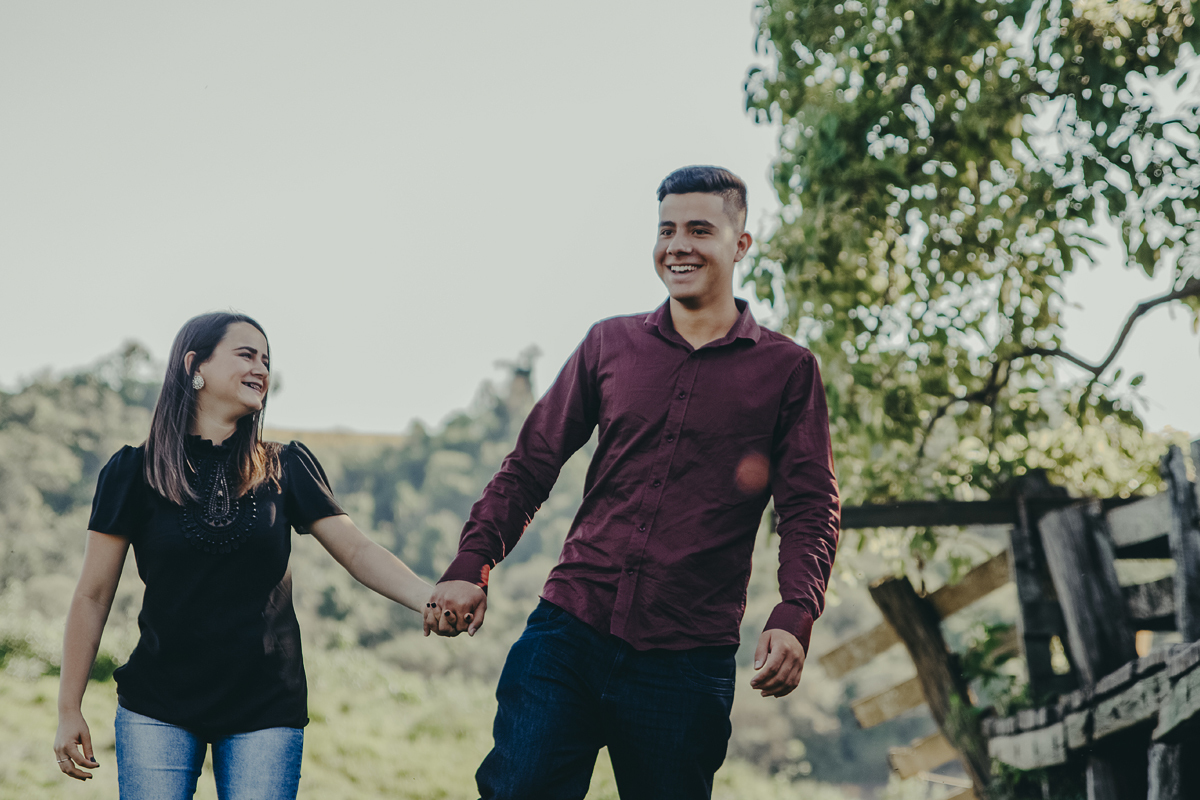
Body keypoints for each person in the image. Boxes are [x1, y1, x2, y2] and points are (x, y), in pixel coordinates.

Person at [425, 165, 841, 799]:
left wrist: (794, 613)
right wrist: (471, 562)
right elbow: (532, 462)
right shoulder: (608, 345)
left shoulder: (787, 371)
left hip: (686, 659)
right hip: (568, 631)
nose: (678, 246)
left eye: (700, 230)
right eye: (666, 230)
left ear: (741, 243)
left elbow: (810, 507)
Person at [54, 312, 433, 800]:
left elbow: (357, 550)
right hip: (158, 706)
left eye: (267, 360)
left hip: (266, 709)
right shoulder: (133, 471)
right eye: (246, 354)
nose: (261, 368)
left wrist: (429, 599)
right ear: (196, 365)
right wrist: (69, 707)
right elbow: (92, 594)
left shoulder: (286, 466)